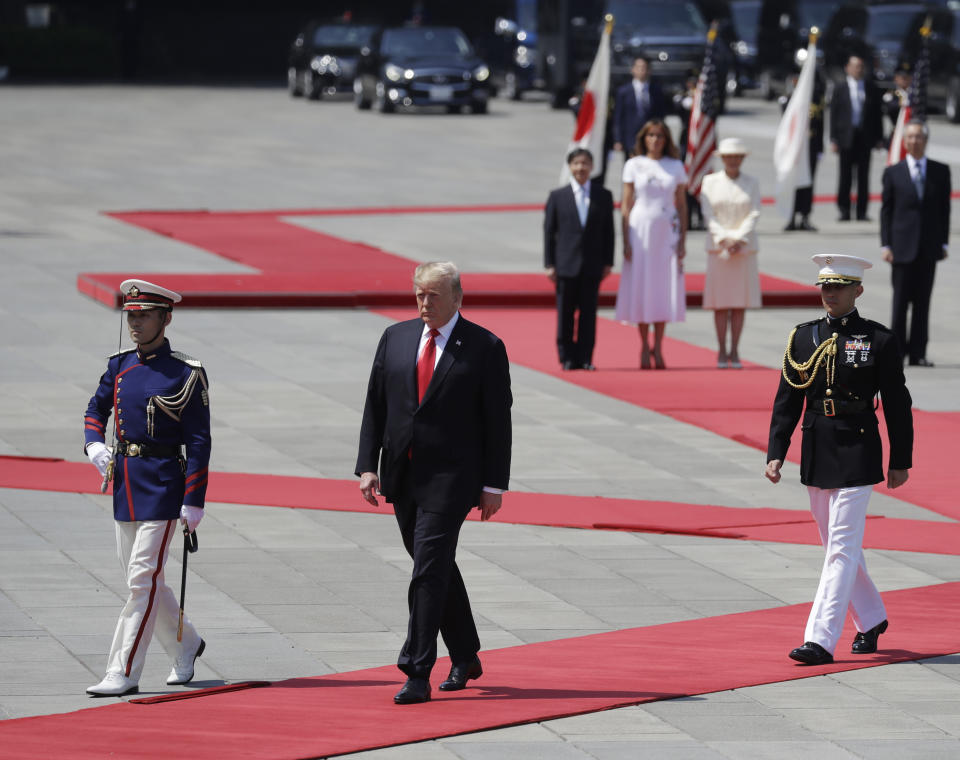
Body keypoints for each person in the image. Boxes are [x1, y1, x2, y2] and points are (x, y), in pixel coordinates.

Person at [356, 262, 512, 705]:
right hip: (402, 474)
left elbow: (498, 422)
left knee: (427, 568)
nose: (425, 303)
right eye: (419, 294)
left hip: (453, 479)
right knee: (434, 566)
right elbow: (376, 405)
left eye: (434, 295)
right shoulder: (396, 337)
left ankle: (417, 669)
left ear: (457, 298)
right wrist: (368, 465)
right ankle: (466, 653)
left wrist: (493, 485)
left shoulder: (484, 347)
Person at [765, 254, 913, 666]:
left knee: (842, 549)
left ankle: (820, 639)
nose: (829, 293)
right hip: (817, 447)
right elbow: (787, 400)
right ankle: (872, 618)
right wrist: (777, 451)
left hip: (859, 447)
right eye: (825, 287)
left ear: (858, 291)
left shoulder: (878, 340)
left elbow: (898, 404)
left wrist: (901, 459)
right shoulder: (803, 338)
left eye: (839, 286)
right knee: (836, 545)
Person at [83, 279, 210, 696]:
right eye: (131, 316)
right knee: (144, 580)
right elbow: (96, 407)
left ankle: (122, 672)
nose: (135, 324)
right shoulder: (120, 365)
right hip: (125, 482)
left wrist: (194, 499)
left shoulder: (186, 373)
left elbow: (198, 440)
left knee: (141, 580)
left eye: (145, 316)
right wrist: (95, 444)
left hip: (163, 484)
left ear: (165, 319)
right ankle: (187, 643)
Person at [614, 119, 688, 369]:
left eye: (660, 136)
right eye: (651, 136)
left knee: (662, 287)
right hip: (640, 229)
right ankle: (644, 344)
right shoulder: (634, 164)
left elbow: (682, 204)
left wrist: (683, 241)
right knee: (643, 285)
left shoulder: (675, 165)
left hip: (666, 230)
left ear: (666, 140)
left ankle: (659, 345)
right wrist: (625, 238)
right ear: (644, 139)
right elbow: (626, 204)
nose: (655, 140)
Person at [880, 119, 950, 367]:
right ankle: (896, 353)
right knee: (900, 303)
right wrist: (885, 245)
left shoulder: (941, 171)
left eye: (918, 136)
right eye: (910, 137)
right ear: (904, 141)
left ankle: (918, 353)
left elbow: (944, 210)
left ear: (926, 140)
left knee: (923, 303)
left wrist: (944, 243)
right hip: (901, 248)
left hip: (929, 248)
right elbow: (886, 212)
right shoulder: (893, 172)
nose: (914, 141)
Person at [544, 148, 615, 370]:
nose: (581, 168)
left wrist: (608, 261)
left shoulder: (603, 195)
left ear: (592, 167)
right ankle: (566, 357)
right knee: (565, 314)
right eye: (576, 163)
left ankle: (585, 357)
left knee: (588, 314)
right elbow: (549, 232)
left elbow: (609, 232)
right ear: (570, 167)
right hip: (565, 265)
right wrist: (549, 263)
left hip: (592, 265)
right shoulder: (558, 196)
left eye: (585, 163)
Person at [699, 137, 761, 369]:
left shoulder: (752, 182)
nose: (733, 160)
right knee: (720, 302)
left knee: (738, 302)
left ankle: (735, 348)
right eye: (728, 157)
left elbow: (754, 212)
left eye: (737, 156)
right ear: (722, 159)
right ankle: (721, 349)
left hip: (743, 248)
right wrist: (724, 238)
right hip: (719, 248)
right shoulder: (710, 181)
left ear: (742, 158)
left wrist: (738, 239)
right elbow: (708, 213)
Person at [830, 55, 883, 221]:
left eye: (860, 66)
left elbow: (877, 115)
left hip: (864, 137)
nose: (858, 70)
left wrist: (879, 138)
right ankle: (844, 209)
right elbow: (834, 115)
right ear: (847, 68)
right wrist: (833, 139)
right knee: (845, 176)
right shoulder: (840, 88)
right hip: (846, 136)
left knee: (863, 176)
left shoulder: (871, 87)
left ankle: (861, 211)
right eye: (855, 66)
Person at [783, 66, 826, 232]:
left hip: (811, 146)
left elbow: (821, 124)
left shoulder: (816, 100)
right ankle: (791, 217)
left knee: (808, 182)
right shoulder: (790, 99)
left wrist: (820, 148)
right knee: (793, 181)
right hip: (794, 147)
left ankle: (805, 216)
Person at [612, 55, 667, 161]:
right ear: (632, 70)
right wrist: (618, 140)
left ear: (649, 70)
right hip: (630, 139)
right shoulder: (623, 91)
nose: (642, 70)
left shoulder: (656, 90)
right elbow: (618, 117)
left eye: (645, 67)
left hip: (651, 139)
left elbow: (660, 115)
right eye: (639, 67)